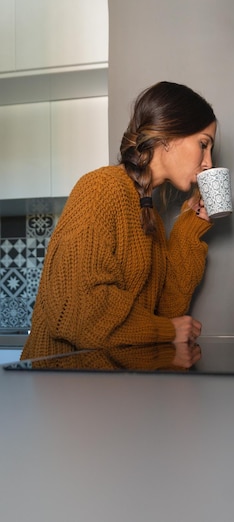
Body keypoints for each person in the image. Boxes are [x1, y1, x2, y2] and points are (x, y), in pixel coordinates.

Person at [21, 81, 217, 360]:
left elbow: (166, 315)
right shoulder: (102, 189)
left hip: (108, 390)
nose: (209, 162)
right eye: (203, 144)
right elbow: (77, 312)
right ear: (167, 136)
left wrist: (190, 227)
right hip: (62, 389)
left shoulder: (151, 218)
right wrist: (167, 331)